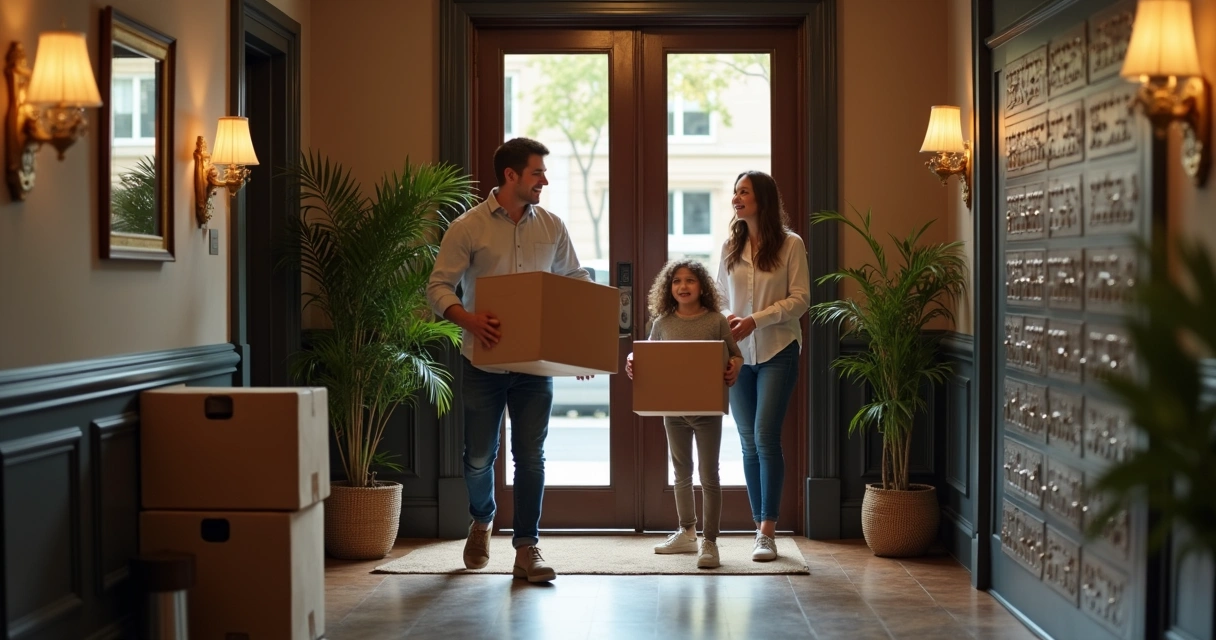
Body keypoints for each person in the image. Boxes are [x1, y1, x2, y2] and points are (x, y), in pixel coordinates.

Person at [427, 137, 592, 583]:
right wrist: (469, 319)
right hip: (483, 363)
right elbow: (438, 286)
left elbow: (574, 280)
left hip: (535, 367)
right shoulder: (468, 227)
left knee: (531, 457)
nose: (545, 181)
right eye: (537, 173)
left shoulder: (553, 226)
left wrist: (582, 344)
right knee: (479, 458)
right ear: (510, 175)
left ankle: (526, 548)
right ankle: (482, 518)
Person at [716, 170, 810, 561]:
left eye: (744, 192)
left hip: (778, 349)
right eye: (735, 192)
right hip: (737, 355)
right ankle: (759, 527)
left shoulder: (791, 244)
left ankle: (768, 532)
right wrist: (729, 319)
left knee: (765, 436)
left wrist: (756, 319)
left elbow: (801, 299)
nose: (736, 198)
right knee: (747, 441)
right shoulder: (730, 246)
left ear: (763, 200)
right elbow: (719, 297)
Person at [626, 259, 742, 569]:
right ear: (669, 288)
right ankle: (687, 532)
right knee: (681, 471)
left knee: (709, 474)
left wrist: (734, 367)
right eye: (677, 281)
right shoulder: (662, 323)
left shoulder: (716, 321)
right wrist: (632, 359)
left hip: (707, 410)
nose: (683, 286)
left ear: (702, 286)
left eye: (690, 280)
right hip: (673, 410)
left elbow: (735, 355)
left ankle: (710, 541)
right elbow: (647, 354)